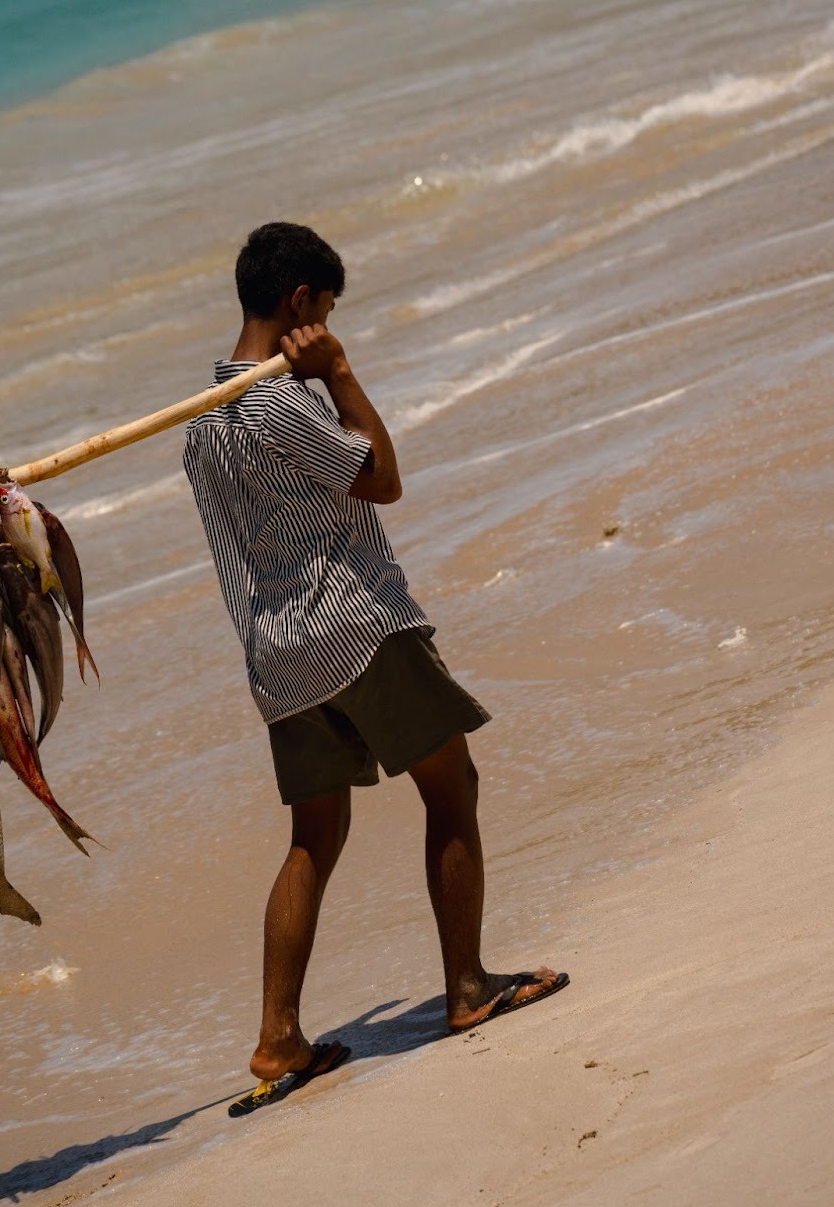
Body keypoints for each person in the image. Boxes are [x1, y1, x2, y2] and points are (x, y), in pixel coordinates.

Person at [183, 222, 567, 1107]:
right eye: (326, 308)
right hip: (353, 627)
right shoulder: (282, 402)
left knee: (313, 839)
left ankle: (279, 1038)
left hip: (276, 654)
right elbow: (383, 478)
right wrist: (342, 376)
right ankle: (467, 987)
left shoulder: (202, 421)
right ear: (301, 306)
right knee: (452, 784)